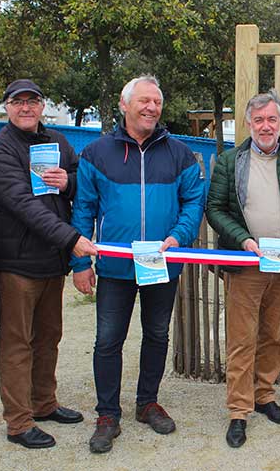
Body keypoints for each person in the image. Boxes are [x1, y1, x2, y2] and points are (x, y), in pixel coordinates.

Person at [70, 75, 206, 454]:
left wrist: (178, 237)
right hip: (114, 267)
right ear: (124, 104)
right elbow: (83, 209)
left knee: (157, 335)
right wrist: (80, 262)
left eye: (157, 102)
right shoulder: (97, 153)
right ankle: (107, 414)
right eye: (144, 101)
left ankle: (147, 403)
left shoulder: (179, 153)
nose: (151, 108)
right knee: (108, 341)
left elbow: (193, 201)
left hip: (161, 264)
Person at [0, 79, 97, 449]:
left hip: (51, 261)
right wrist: (72, 240)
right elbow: (22, 205)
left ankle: (44, 403)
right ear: (7, 107)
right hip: (17, 263)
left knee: (48, 337)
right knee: (17, 344)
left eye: (33, 101)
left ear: (42, 106)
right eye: (19, 102)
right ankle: (18, 422)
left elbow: (83, 181)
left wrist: (69, 182)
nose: (26, 108)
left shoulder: (58, 142)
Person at [206, 90, 280, 448]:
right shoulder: (229, 162)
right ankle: (239, 411)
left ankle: (264, 395)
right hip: (246, 264)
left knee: (273, 335)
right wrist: (243, 240)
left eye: (271, 119)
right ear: (248, 124)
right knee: (242, 338)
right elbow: (215, 208)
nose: (265, 126)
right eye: (258, 120)